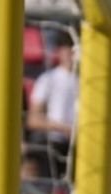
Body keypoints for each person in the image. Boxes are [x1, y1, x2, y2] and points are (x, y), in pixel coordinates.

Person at [27, 42, 79, 179]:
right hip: (52, 143)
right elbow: (33, 120)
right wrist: (65, 129)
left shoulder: (90, 83)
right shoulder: (48, 79)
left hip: (80, 144)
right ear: (61, 52)